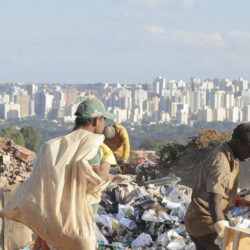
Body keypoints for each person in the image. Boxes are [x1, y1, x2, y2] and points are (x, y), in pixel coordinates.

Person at [33, 97, 116, 250]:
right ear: (96, 121)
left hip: (54, 216)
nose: (105, 124)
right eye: (104, 119)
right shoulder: (90, 144)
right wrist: (107, 160)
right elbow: (98, 178)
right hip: (78, 219)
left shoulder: (58, 144)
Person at [185, 123, 250, 250]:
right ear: (238, 142)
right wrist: (223, 230)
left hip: (198, 220)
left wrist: (241, 202)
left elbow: (223, 190)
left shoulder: (229, 153)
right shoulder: (221, 163)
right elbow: (214, 199)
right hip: (205, 223)